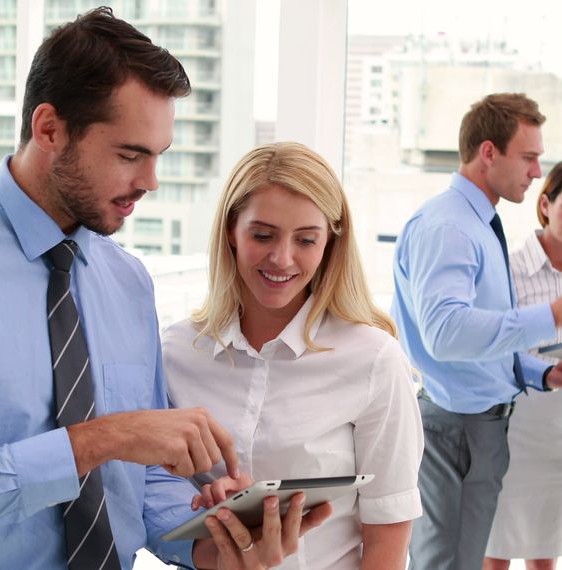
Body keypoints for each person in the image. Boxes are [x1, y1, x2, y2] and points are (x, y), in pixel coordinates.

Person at [0, 8, 327, 570]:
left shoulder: (127, 281)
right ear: (49, 129)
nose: (150, 181)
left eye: (157, 156)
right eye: (129, 154)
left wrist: (213, 548)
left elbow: (137, 486)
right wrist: (98, 440)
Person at [162, 142, 425, 570]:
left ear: (330, 242)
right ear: (231, 230)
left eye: (305, 239)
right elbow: (155, 498)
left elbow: (388, 535)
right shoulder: (176, 351)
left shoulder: (374, 358)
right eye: (262, 235)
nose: (282, 258)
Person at [389, 92, 562, 570]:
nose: (536, 172)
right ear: (489, 152)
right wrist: (552, 315)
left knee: (463, 562)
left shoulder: (478, 222)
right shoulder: (450, 226)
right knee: (449, 564)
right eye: (529, 157)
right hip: (457, 428)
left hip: (479, 424)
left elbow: (484, 338)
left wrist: (543, 374)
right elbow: (447, 334)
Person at [484, 160, 562, 570]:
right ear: (545, 204)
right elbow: (495, 348)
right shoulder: (508, 267)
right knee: (495, 551)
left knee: (546, 555)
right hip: (511, 427)